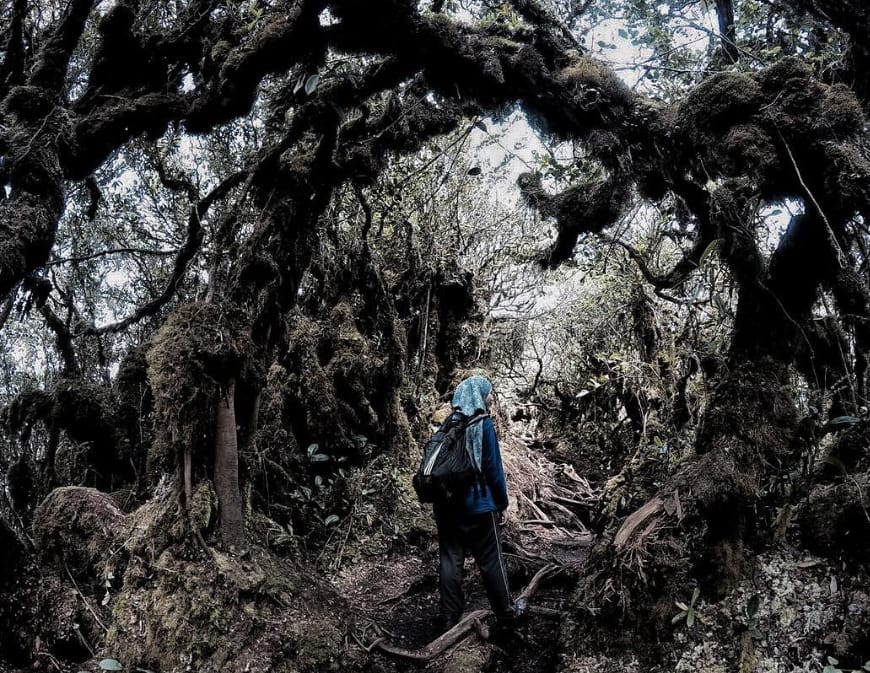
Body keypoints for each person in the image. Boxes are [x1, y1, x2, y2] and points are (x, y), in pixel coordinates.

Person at [433, 374, 520, 631]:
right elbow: (494, 470)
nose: (490, 397)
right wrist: (502, 504)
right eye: (488, 392)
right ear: (479, 395)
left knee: (450, 559)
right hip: (480, 507)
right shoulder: (483, 424)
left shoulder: (447, 424)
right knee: (491, 560)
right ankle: (506, 613)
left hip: (446, 507)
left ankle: (449, 617)